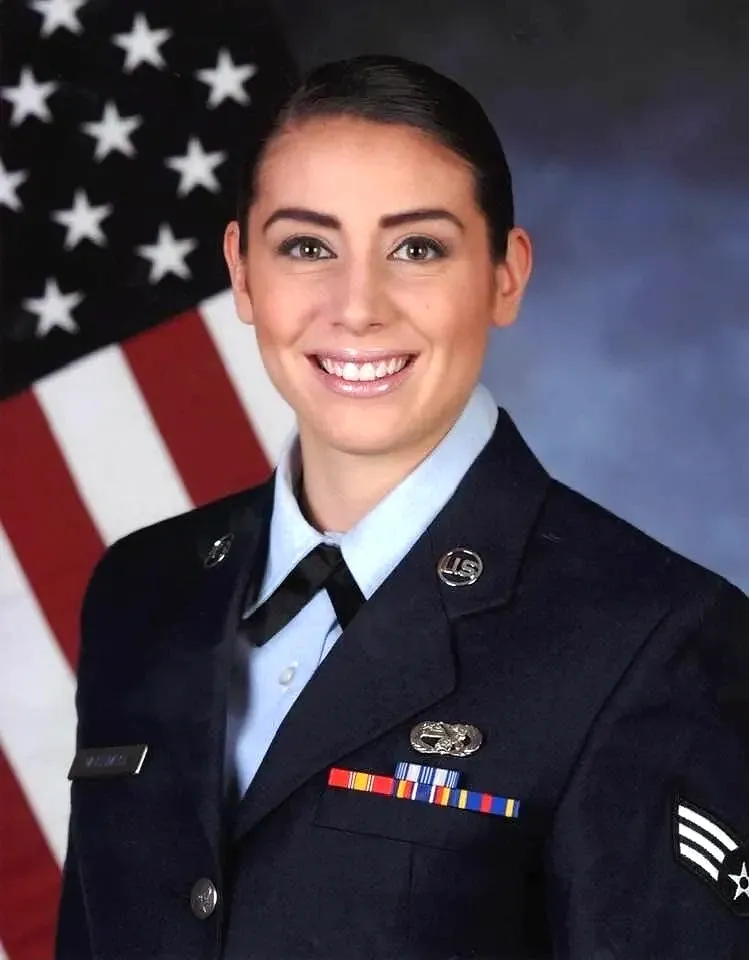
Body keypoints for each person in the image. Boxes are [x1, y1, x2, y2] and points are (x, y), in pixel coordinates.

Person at [56, 54, 749, 959]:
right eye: (307, 247)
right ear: (241, 271)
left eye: (416, 249)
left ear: (505, 274)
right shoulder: (141, 590)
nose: (356, 309)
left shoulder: (654, 638)